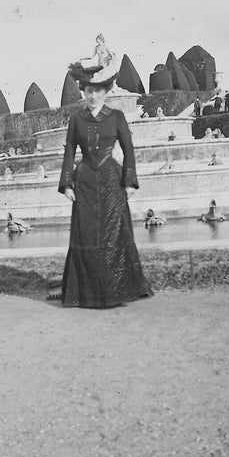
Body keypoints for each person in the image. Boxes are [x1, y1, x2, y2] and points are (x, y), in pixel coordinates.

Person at [57, 63, 153, 308]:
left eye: (97, 91)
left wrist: (129, 181)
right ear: (83, 92)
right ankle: (88, 295)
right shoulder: (76, 119)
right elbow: (69, 151)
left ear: (105, 92)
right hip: (85, 181)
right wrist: (67, 184)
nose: (92, 95)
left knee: (113, 234)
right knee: (87, 235)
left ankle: (116, 290)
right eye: (88, 91)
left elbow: (129, 149)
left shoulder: (116, 117)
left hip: (112, 180)